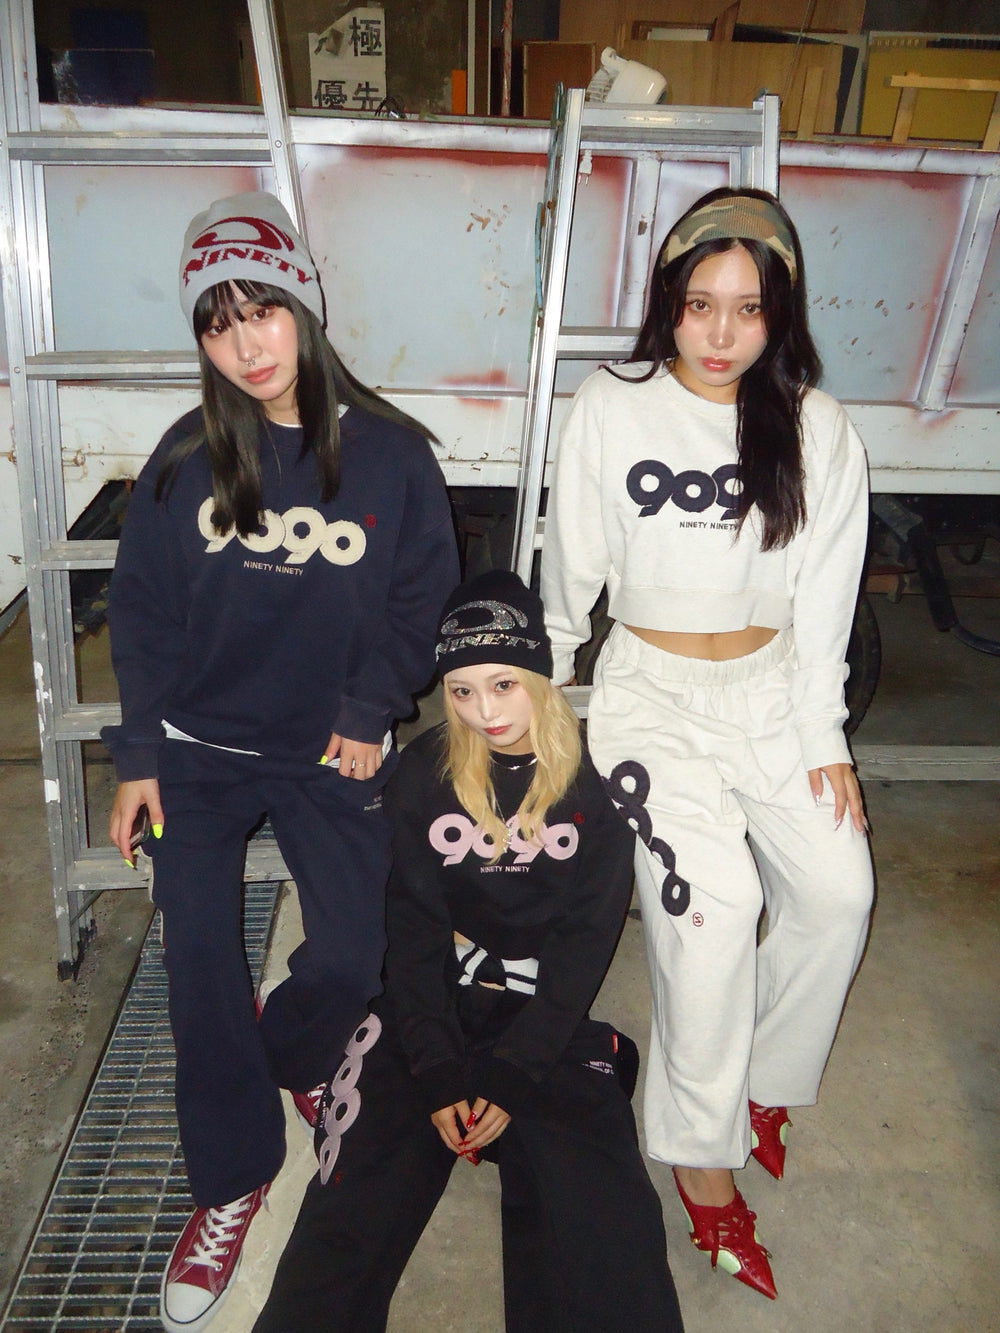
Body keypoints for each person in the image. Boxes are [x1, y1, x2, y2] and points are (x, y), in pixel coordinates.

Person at [100, 191, 459, 1333]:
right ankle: (230, 1175)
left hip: (327, 750)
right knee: (196, 957)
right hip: (198, 752)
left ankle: (282, 1051)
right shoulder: (186, 455)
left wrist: (368, 706)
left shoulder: (394, 457)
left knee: (355, 958)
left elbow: (422, 600)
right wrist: (139, 755)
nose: (247, 346)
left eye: (262, 312)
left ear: (304, 305)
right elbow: (140, 611)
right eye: (219, 325)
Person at [539, 187, 874, 1300]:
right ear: (667, 305)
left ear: (780, 315)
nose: (721, 333)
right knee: (716, 910)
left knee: (838, 892)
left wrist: (823, 733)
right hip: (652, 697)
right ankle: (697, 1152)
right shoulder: (613, 403)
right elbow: (571, 557)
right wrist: (548, 689)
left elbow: (826, 601)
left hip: (772, 695)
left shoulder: (817, 426)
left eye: (749, 309)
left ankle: (763, 1079)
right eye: (699, 305)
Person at [252, 570, 685, 1333]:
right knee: (348, 1209)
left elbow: (585, 945)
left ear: (542, 674)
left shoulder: (599, 782)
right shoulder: (422, 777)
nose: (485, 711)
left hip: (546, 1011)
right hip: (426, 1004)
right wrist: (437, 1067)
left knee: (600, 1219)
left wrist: (515, 1072)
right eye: (461, 690)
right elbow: (413, 932)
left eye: (504, 684)